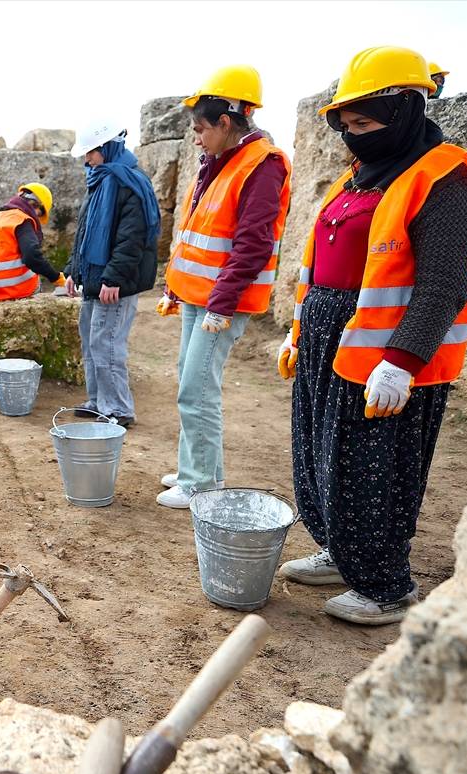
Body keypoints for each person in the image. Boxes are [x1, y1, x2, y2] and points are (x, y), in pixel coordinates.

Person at [275, 46, 467, 625]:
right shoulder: (357, 177)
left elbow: (443, 283)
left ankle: (387, 585)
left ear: (406, 109)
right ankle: (343, 554)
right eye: (347, 125)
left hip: (386, 357)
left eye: (365, 124)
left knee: (376, 467)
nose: (353, 136)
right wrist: (298, 332)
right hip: (328, 340)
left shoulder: (445, 177)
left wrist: (402, 361)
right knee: (320, 455)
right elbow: (322, 262)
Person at [155, 65, 291, 509]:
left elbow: (253, 243)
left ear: (226, 123)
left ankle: (200, 483)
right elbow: (200, 235)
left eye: (200, 129)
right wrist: (177, 287)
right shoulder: (219, 162)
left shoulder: (262, 166)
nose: (196, 137)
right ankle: (198, 469)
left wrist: (222, 303)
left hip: (222, 302)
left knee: (197, 387)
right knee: (189, 381)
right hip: (200, 296)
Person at [64, 121, 161, 429]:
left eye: (90, 153)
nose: (86, 160)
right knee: (91, 340)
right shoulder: (100, 180)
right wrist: (71, 270)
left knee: (106, 343)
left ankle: (118, 408)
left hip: (113, 282)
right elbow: (84, 232)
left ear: (106, 149)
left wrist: (113, 278)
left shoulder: (128, 183)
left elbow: (132, 238)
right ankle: (98, 402)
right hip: (95, 277)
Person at [0, 183, 66, 300]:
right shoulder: (21, 220)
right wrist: (56, 278)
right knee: (36, 280)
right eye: (40, 213)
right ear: (35, 205)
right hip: (15, 290)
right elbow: (32, 257)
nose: (37, 218)